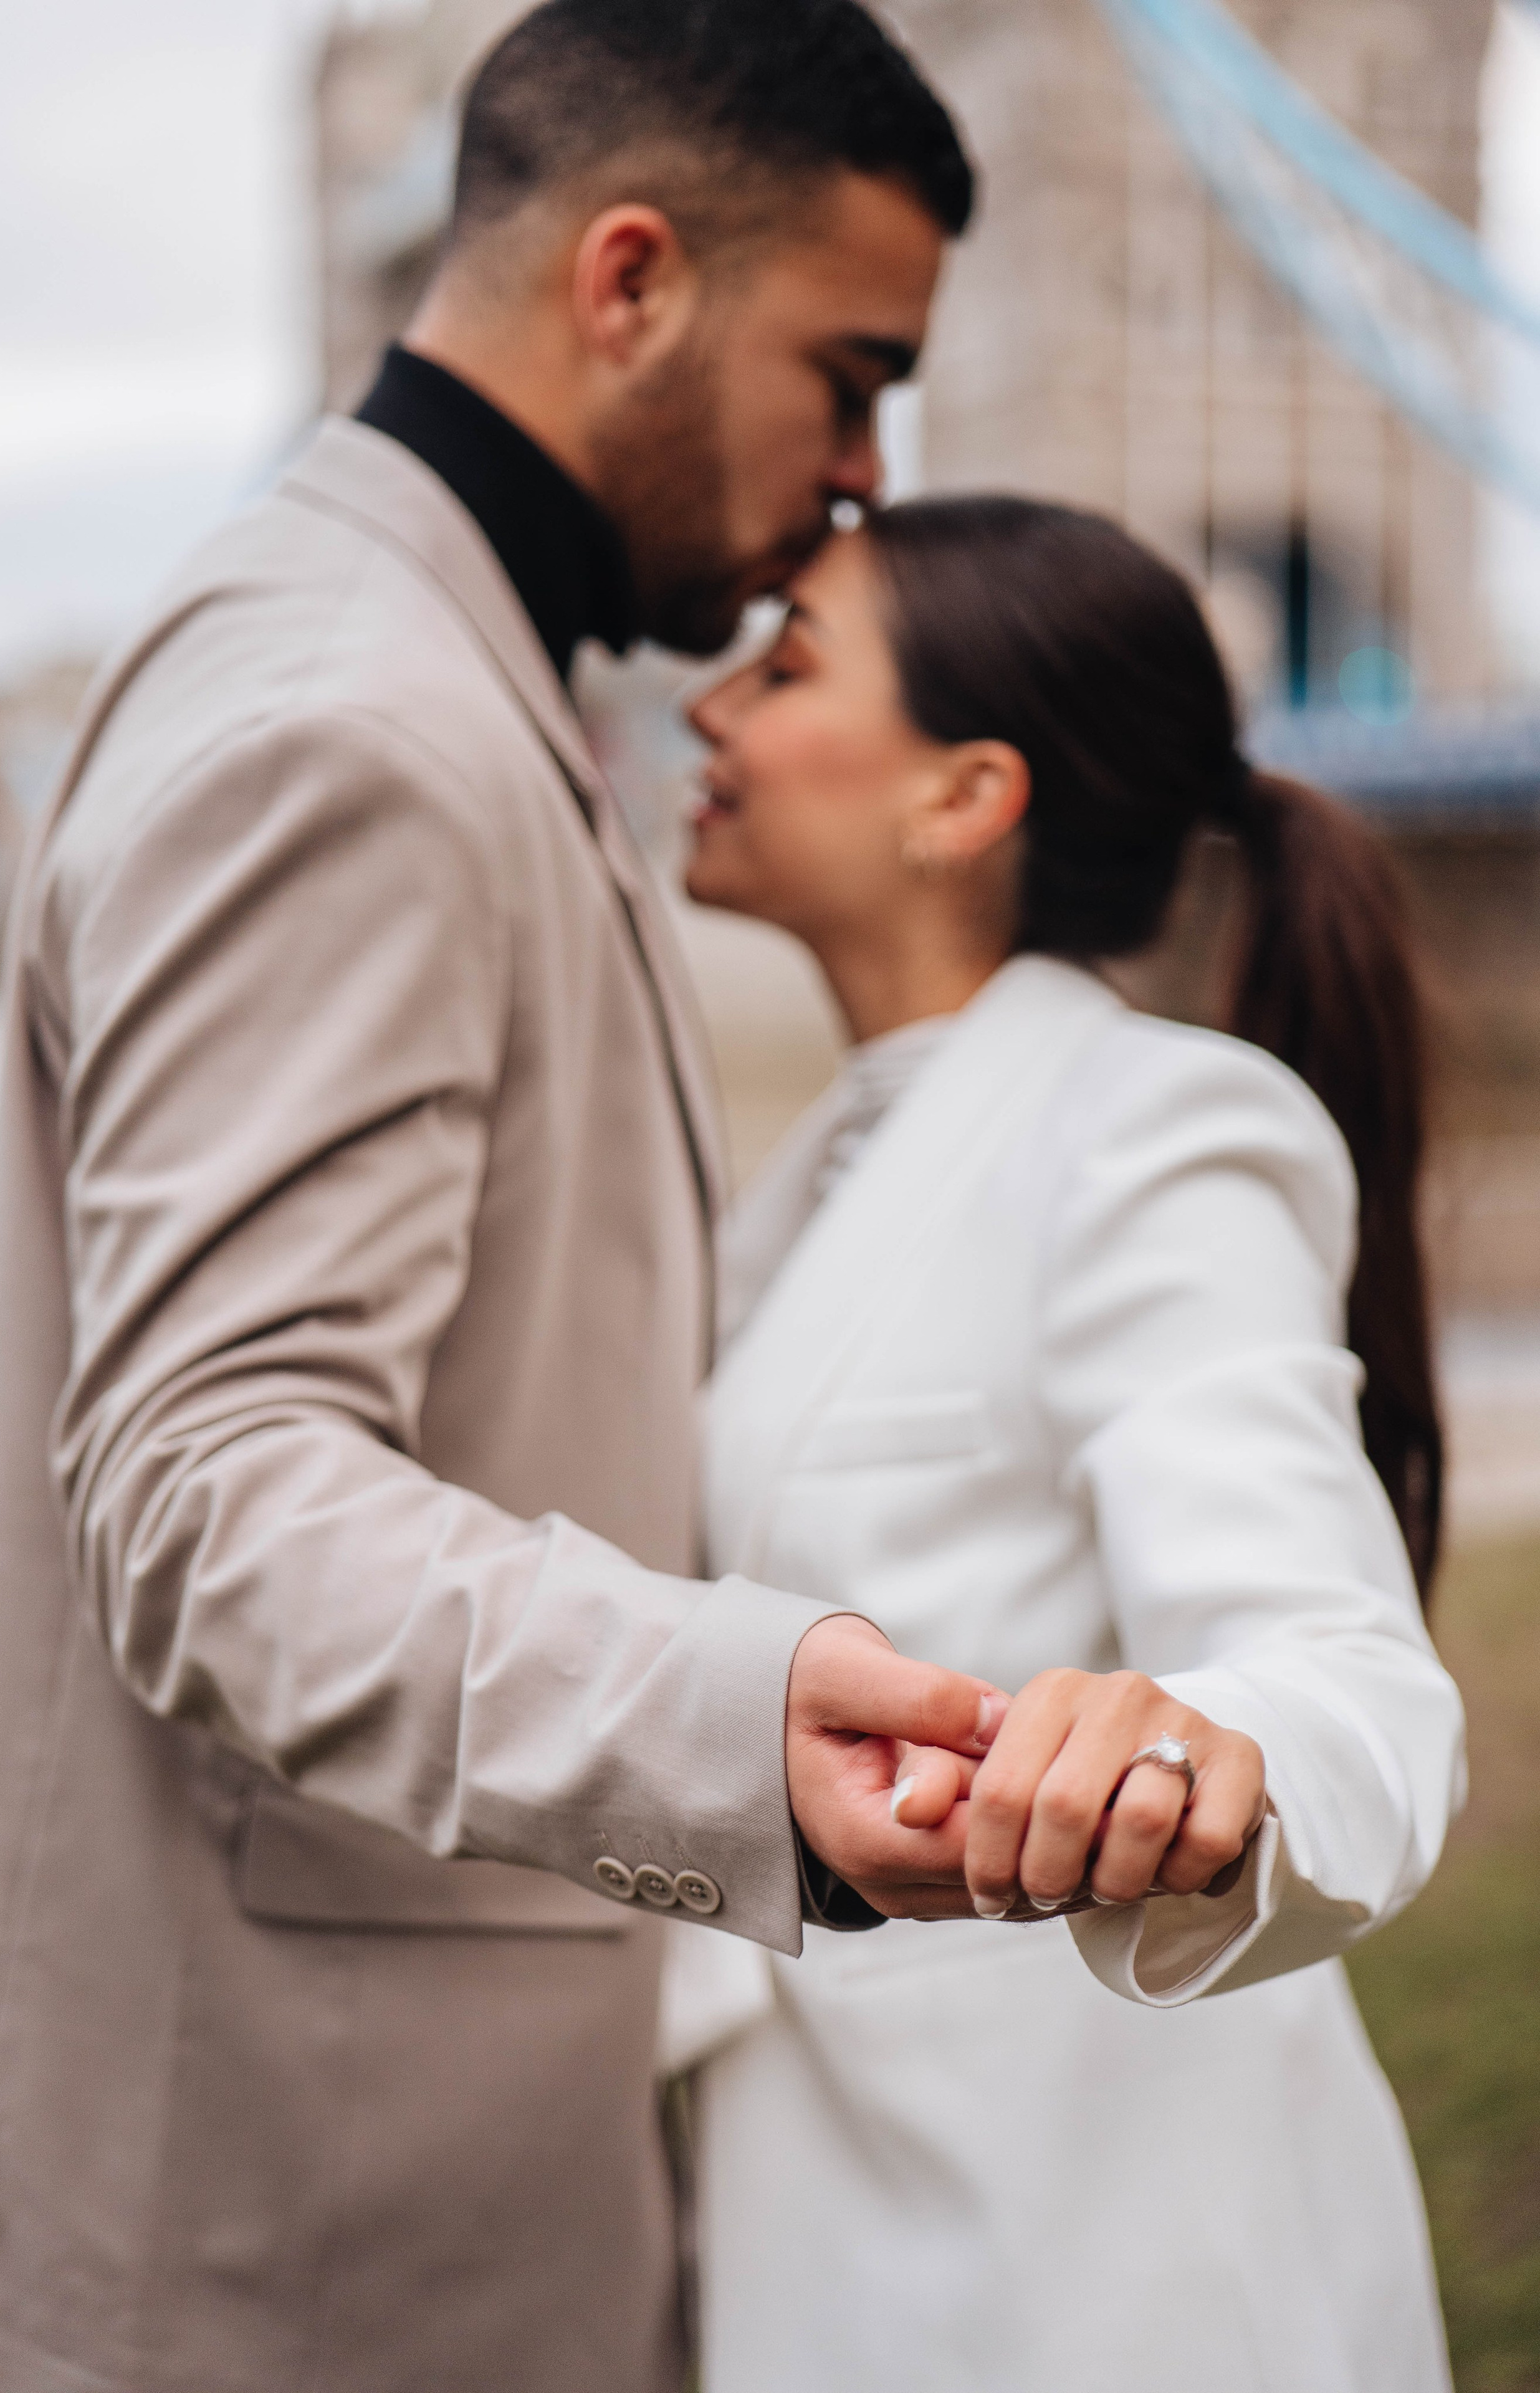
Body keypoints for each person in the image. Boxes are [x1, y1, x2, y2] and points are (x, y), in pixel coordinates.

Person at [0, 10, 1012, 2390]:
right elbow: (213, 1493)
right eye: (848, 380)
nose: (862, 481)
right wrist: (741, 1729)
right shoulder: (352, 718)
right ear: (629, 278)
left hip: (388, 2214)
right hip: (263, 2266)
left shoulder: (441, 674)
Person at [669, 497, 1466, 2392]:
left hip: (1114, 2267)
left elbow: (1349, 1670)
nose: (708, 709)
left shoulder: (1151, 1134)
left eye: (785, 666)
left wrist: (1217, 1763)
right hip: (837, 2223)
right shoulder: (818, 1175)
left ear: (964, 797)